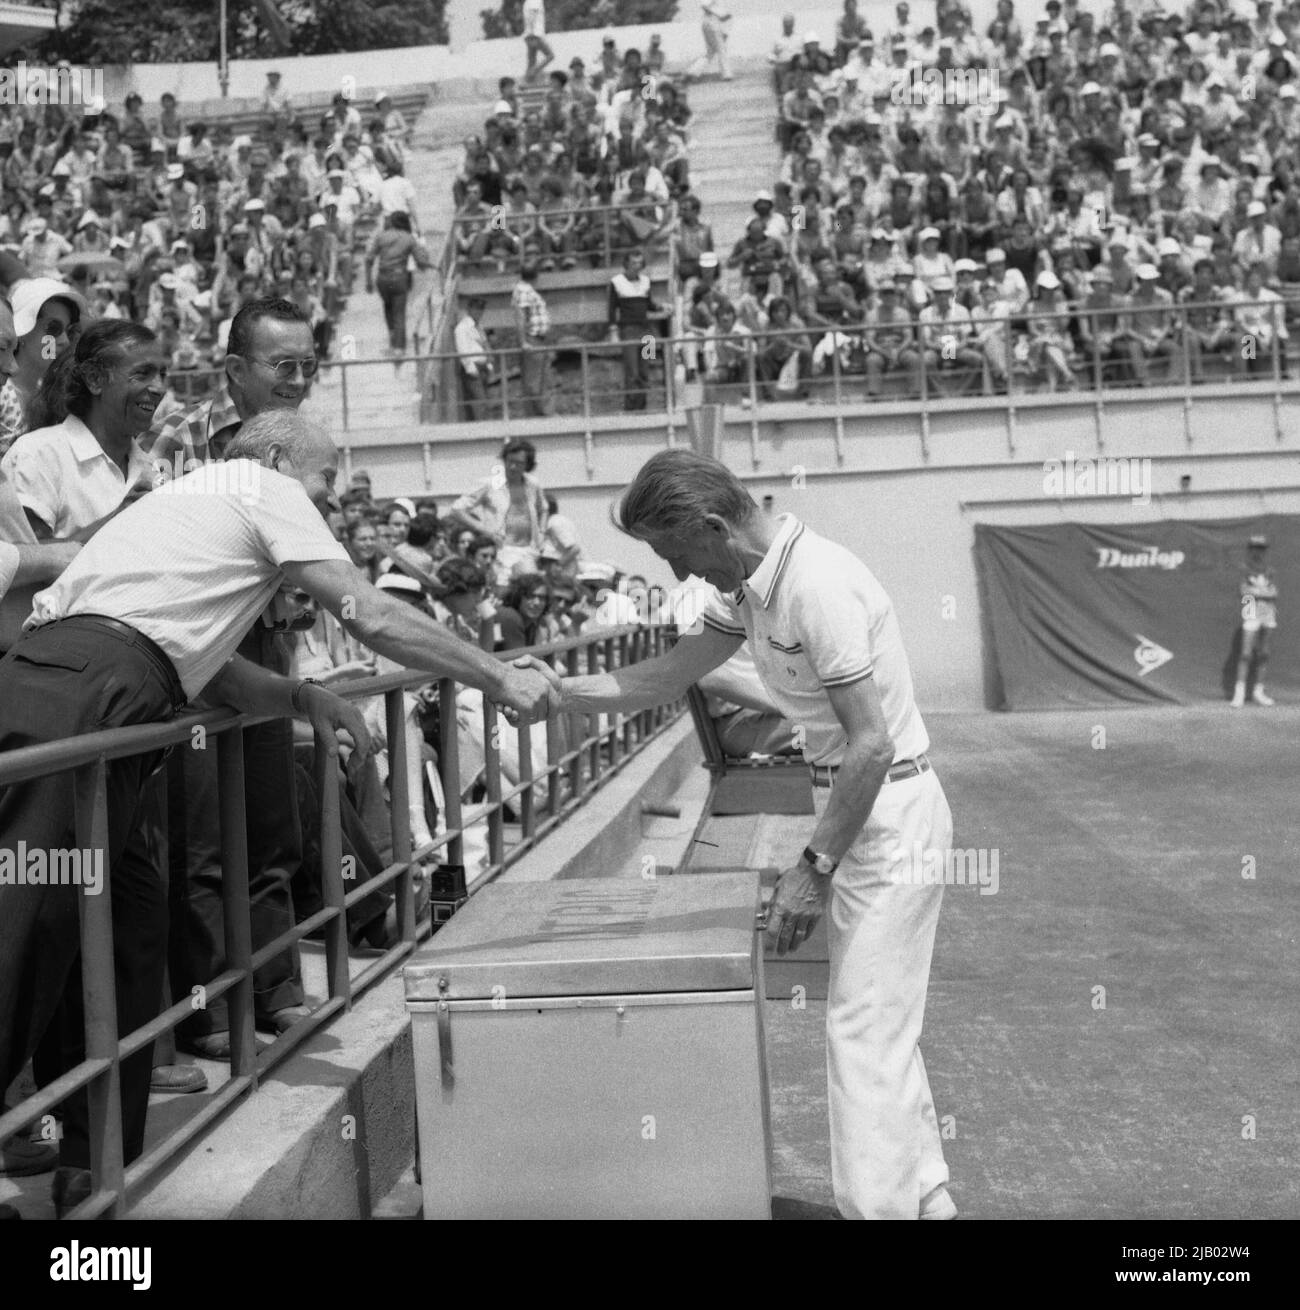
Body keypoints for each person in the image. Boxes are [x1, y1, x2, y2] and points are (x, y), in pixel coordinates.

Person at [0, 408, 558, 1214]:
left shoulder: (192, 503)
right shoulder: (258, 484)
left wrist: (299, 693)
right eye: (328, 475)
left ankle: (93, 1158)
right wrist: (497, 676)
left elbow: (202, 663)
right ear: (273, 457)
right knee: (30, 924)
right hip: (83, 692)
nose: (333, 495)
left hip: (101, 687)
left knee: (124, 924)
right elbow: (366, 611)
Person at [548, 449, 955, 1221]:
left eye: (675, 556)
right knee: (879, 1018)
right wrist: (549, 692)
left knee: (863, 1028)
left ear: (711, 527)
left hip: (887, 812)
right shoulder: (750, 585)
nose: (677, 576)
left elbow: (871, 745)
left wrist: (812, 868)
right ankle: (925, 1198)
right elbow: (666, 676)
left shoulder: (818, 586)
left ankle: (884, 1212)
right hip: (858, 806)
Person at [0, 279, 86, 457]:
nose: (65, 341)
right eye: (53, 329)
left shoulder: (54, 394)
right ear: (22, 331)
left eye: (69, 331)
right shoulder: (3, 393)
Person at [446, 438, 549, 578]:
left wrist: (542, 533)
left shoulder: (533, 484)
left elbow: (543, 509)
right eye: (509, 461)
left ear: (527, 465)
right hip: (501, 551)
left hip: (529, 550)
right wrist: (482, 529)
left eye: (518, 463)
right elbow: (457, 509)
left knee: (529, 587)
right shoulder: (490, 484)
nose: (512, 467)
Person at [608, 248, 670, 411]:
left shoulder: (645, 281)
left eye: (639, 262)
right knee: (632, 372)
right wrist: (613, 331)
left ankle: (643, 406)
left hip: (646, 331)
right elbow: (612, 308)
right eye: (633, 262)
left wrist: (661, 307)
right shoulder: (616, 282)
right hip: (629, 330)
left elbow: (648, 303)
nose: (637, 266)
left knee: (644, 370)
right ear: (626, 264)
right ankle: (631, 407)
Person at [364, 211, 431, 356]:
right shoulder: (409, 238)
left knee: (388, 308)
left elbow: (368, 259)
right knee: (399, 313)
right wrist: (425, 253)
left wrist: (368, 281)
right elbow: (421, 263)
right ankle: (399, 348)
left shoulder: (381, 237)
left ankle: (392, 341)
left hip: (382, 278)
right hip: (399, 278)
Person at [1231, 535, 1277, 708]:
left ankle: (1258, 692)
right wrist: (1262, 592)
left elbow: (1274, 593)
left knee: (1264, 654)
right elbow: (1243, 592)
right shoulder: (1244, 569)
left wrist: (1255, 591)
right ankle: (1239, 693)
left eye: (1262, 548)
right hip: (1250, 610)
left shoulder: (1270, 570)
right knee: (1245, 654)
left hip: (1268, 612)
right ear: (1250, 550)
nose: (1258, 551)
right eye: (1255, 548)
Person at [511, 260, 553, 417]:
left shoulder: (527, 290)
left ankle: (543, 412)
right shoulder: (523, 290)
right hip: (532, 339)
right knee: (535, 381)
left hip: (538, 339)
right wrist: (523, 342)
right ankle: (539, 414)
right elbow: (521, 317)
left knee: (543, 378)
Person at [454, 295, 494, 421]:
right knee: (479, 401)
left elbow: (484, 345)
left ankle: (480, 424)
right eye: (476, 309)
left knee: (482, 400)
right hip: (473, 368)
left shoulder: (479, 327)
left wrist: (489, 365)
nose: (479, 312)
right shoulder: (462, 328)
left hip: (483, 367)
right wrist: (471, 369)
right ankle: (482, 427)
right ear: (469, 309)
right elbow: (463, 350)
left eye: (481, 309)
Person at [688, 1, 734, 82]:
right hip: (711, 24)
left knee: (711, 52)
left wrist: (725, 32)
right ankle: (726, 75)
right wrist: (718, 14)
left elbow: (728, 17)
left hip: (716, 25)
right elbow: (704, 6)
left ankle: (693, 72)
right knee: (721, 51)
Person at [521, 0, 554, 83]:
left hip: (529, 35)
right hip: (535, 34)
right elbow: (532, 15)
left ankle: (527, 82)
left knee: (531, 62)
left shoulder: (527, 2)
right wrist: (532, 32)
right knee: (550, 55)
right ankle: (534, 72)